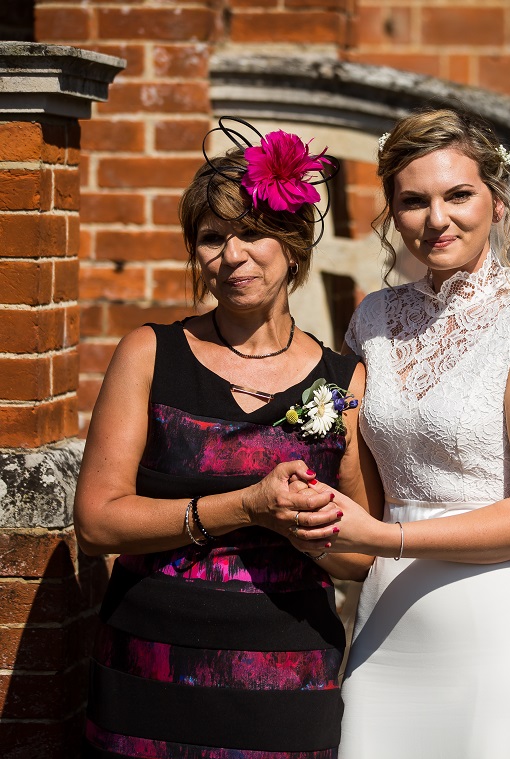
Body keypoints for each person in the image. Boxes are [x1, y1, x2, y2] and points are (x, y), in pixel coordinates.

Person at [75, 121, 375, 758]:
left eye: (253, 233)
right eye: (212, 238)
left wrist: (299, 528)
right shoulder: (149, 355)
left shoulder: (346, 381)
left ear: (293, 245)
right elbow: (97, 522)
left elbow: (360, 558)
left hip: (286, 684)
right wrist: (247, 508)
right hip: (147, 675)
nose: (232, 255)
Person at [293, 108, 510, 757]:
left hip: (502, 634)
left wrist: (388, 536)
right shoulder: (373, 318)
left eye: (458, 194)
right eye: (414, 200)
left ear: (497, 201)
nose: (437, 218)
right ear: (392, 212)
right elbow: (355, 474)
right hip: (388, 624)